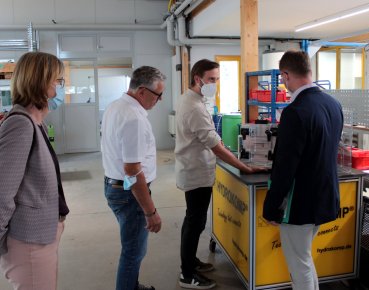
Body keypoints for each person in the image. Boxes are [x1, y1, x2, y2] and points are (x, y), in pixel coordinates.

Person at [175, 59, 266, 289]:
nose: (215, 83)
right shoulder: (194, 106)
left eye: (217, 79)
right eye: (212, 79)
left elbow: (208, 136)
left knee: (192, 220)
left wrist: (218, 141)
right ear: (198, 79)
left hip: (194, 168)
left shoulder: (192, 99)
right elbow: (215, 147)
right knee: (195, 222)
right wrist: (244, 167)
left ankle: (190, 261)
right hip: (196, 173)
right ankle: (187, 274)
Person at [263, 50, 343, 290]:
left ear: (285, 75)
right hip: (325, 196)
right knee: (305, 259)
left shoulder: (295, 112)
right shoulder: (333, 104)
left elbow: (285, 167)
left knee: (299, 264)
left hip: (300, 204)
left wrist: (271, 207)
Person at [0, 51, 70, 290]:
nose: (60, 88)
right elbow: (2, 191)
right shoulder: (20, 124)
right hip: (29, 242)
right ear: (39, 83)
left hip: (42, 234)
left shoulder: (35, 122)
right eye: (57, 82)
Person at [101, 66, 166, 290]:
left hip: (115, 186)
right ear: (141, 91)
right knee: (133, 252)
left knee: (133, 247)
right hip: (129, 193)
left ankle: (132, 285)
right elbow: (132, 170)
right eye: (158, 95)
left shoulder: (116, 106)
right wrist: (151, 211)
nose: (159, 100)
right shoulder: (133, 118)